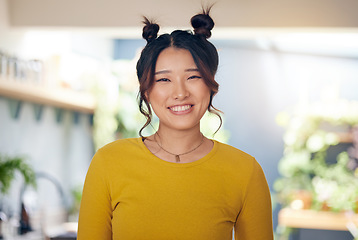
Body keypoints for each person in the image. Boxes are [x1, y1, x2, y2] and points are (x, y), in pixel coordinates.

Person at [77, 8, 273, 240]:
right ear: (146, 91)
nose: (180, 93)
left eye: (193, 77)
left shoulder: (245, 171)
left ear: (210, 85)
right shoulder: (108, 163)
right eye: (164, 79)